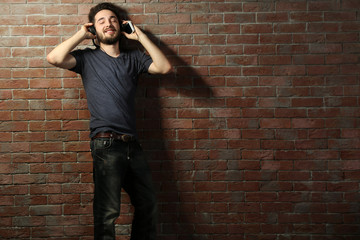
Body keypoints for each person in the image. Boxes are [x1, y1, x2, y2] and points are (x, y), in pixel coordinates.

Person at [47, 2, 172, 240]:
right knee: (108, 213)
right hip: (106, 145)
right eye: (101, 21)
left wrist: (140, 36)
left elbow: (164, 67)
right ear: (94, 29)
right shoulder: (86, 59)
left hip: (133, 146)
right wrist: (81, 34)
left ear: (121, 25)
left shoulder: (134, 58)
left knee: (148, 206)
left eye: (113, 19)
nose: (108, 24)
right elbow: (54, 57)